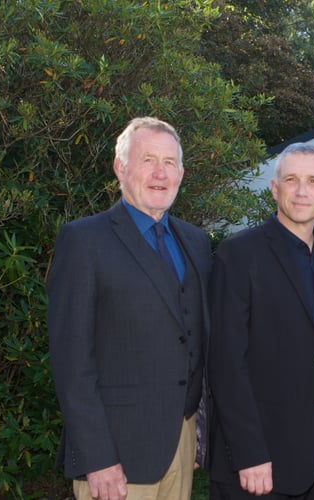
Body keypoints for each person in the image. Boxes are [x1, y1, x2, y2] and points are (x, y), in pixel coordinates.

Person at [47, 117, 212, 500]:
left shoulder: (196, 241)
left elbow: (196, 339)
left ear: (182, 173)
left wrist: (195, 433)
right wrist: (97, 458)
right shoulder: (84, 241)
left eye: (170, 162)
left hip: (180, 445)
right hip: (115, 456)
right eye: (148, 160)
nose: (160, 172)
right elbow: (72, 363)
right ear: (120, 168)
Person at [207, 143, 314, 499]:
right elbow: (225, 364)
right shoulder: (238, 255)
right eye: (292, 180)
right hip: (257, 464)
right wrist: (249, 452)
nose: (302, 191)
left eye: (313, 181)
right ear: (275, 188)